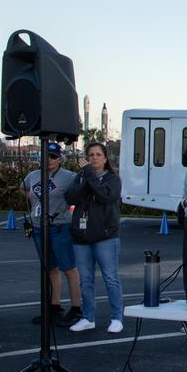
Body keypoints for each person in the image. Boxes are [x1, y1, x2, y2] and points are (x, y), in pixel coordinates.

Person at [65, 142, 125, 334]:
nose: (94, 158)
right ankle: (88, 317)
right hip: (81, 237)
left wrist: (90, 175)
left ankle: (117, 318)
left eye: (98, 154)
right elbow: (70, 197)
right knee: (86, 280)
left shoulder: (113, 179)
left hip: (105, 236)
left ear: (105, 158)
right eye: (90, 155)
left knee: (111, 278)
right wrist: (85, 178)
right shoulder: (81, 177)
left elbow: (104, 196)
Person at [23, 141, 82, 326]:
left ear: (60, 159)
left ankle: (76, 308)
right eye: (46, 156)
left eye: (53, 156)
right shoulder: (33, 176)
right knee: (49, 268)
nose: (49, 160)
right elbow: (24, 189)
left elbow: (79, 193)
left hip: (60, 226)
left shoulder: (69, 176)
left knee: (69, 268)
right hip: (39, 227)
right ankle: (54, 306)